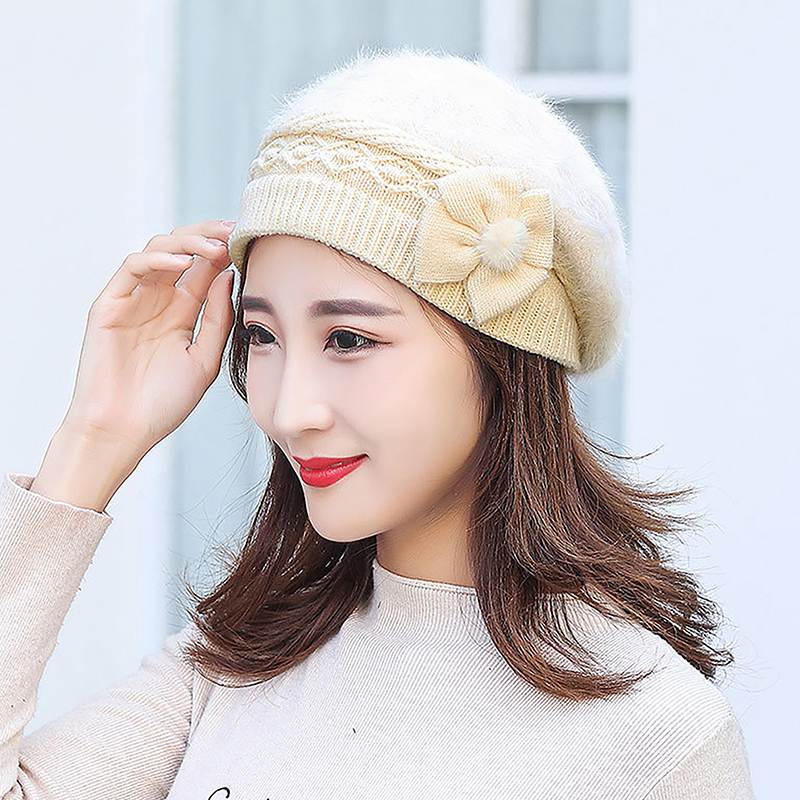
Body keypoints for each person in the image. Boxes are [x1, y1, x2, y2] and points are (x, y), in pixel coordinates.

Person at [0, 45, 756, 799]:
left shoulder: (656, 738)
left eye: (349, 340)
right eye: (261, 335)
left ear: (502, 358)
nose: (289, 411)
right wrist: (95, 439)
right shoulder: (230, 668)